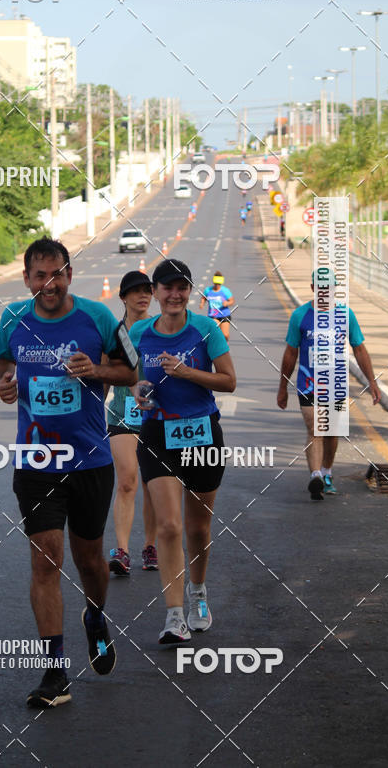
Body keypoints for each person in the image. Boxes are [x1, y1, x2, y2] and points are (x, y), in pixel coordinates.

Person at [0, 237, 137, 708]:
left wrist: (96, 370)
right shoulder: (14, 318)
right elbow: (1, 360)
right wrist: (2, 382)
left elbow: (130, 372)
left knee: (90, 562)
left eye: (56, 274)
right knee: (44, 560)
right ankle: (55, 674)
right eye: (39, 276)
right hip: (36, 461)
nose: (48, 284)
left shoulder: (96, 317)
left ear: (69, 275)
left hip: (90, 461)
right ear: (27, 279)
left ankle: (95, 615)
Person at [129, 259, 236, 645]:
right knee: (169, 526)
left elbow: (229, 381)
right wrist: (139, 393)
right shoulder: (141, 331)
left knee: (197, 526)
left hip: (202, 433)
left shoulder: (206, 328)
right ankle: (174, 616)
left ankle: (198, 593)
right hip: (158, 434)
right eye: (167, 288)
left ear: (190, 291)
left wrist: (187, 373)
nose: (175, 295)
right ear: (155, 292)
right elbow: (135, 380)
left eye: (182, 287)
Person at [277, 268, 381, 500]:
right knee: (315, 428)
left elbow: (359, 348)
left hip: (336, 384)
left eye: (329, 288)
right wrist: (283, 387)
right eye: (321, 287)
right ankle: (315, 476)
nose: (325, 292)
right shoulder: (300, 316)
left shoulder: (346, 315)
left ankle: (326, 472)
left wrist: (372, 382)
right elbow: (290, 354)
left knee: (331, 432)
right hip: (308, 383)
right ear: (313, 288)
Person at [105, 271, 158, 575]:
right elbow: (105, 375)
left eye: (147, 291)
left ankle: (150, 546)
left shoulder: (159, 328)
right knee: (127, 481)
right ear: (123, 297)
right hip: (122, 414)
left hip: (155, 415)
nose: (143, 296)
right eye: (135, 291)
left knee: (152, 485)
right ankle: (122, 550)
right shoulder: (113, 333)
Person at [199, 271, 235, 342]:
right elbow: (204, 297)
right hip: (213, 315)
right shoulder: (208, 290)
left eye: (219, 284)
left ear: (221, 283)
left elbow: (232, 301)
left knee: (225, 335)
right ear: (213, 282)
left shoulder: (225, 291)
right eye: (216, 284)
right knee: (215, 334)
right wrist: (202, 303)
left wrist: (227, 303)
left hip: (225, 315)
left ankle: (224, 346)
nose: (217, 285)